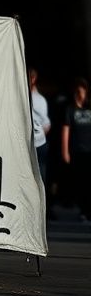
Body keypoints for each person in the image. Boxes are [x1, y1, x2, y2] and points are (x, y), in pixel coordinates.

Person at [61, 77, 91, 221]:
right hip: (77, 150)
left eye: (83, 91)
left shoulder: (89, 108)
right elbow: (66, 130)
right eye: (78, 91)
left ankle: (87, 209)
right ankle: (83, 210)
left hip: (89, 151)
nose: (80, 93)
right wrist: (65, 151)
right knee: (81, 181)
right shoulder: (70, 109)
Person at [29, 67, 51, 184]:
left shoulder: (38, 99)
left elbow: (46, 124)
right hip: (35, 143)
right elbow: (47, 125)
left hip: (38, 144)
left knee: (39, 177)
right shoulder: (39, 99)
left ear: (33, 79)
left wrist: (38, 135)